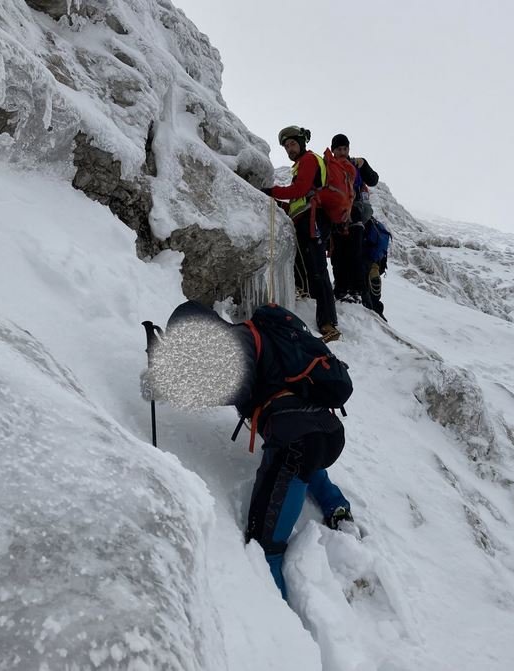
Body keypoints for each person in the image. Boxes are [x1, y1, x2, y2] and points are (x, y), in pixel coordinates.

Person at [166, 300, 353, 600]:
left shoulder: (237, 339)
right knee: (306, 463)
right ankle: (337, 507)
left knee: (264, 544)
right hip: (327, 432)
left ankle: (280, 622)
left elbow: (235, 386)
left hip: (295, 443)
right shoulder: (260, 335)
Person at [260, 126, 340, 342]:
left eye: (292, 144)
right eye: (286, 146)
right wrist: (275, 203)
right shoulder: (298, 167)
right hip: (304, 220)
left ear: (301, 143)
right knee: (307, 265)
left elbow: (300, 191)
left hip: (314, 219)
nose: (289, 149)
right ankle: (311, 304)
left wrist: (271, 191)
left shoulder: (309, 160)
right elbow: (297, 201)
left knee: (318, 269)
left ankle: (328, 322)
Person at [329, 134, 380, 310]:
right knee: (338, 254)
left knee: (354, 251)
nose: (342, 152)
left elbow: (373, 179)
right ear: (334, 150)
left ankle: (357, 290)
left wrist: (364, 164)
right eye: (339, 149)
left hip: (355, 214)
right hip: (336, 215)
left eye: (345, 149)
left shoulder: (356, 165)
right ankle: (341, 288)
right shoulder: (329, 166)